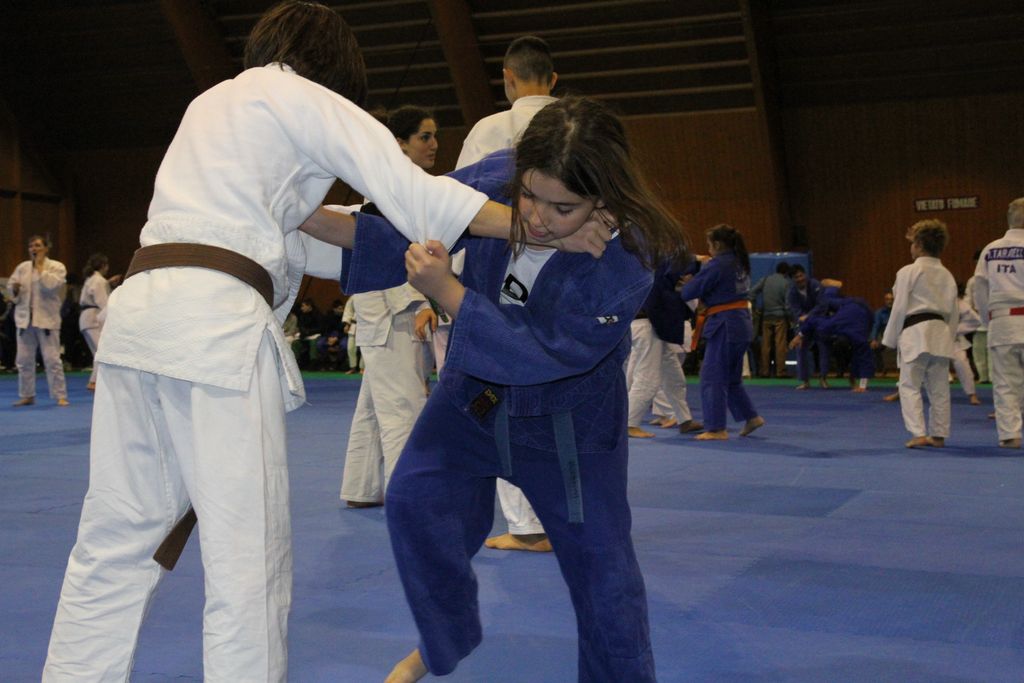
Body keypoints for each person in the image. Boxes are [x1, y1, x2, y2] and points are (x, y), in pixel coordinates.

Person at [42, 3, 533, 681]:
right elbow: (417, 196)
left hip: (140, 324)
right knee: (248, 557)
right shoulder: (302, 96)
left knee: (115, 540)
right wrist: (537, 226)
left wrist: (402, 245)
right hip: (212, 329)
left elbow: (304, 239)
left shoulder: (212, 107)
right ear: (333, 68)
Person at [303, 96, 684, 683]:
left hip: (571, 427)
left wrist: (448, 292)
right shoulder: (495, 179)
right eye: (529, 196)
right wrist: (299, 214)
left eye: (563, 208)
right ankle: (447, 636)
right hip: (474, 399)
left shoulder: (628, 256)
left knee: (606, 580)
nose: (538, 218)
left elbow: (546, 354)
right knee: (413, 501)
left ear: (604, 198)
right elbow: (404, 220)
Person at [452, 35, 561, 552]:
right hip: (568, 283)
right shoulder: (583, 126)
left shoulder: (490, 130)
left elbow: (456, 207)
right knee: (562, 396)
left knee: (497, 397)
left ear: (508, 78)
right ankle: (565, 513)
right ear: (554, 80)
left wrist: (444, 289)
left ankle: (527, 524)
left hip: (500, 281)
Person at [339, 105, 438, 508]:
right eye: (424, 137)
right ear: (400, 144)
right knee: (404, 409)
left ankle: (361, 488)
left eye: (434, 136)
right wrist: (420, 302)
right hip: (396, 311)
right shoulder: (390, 192)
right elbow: (389, 256)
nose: (434, 144)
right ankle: (408, 498)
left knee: (375, 406)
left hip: (383, 312)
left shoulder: (393, 187)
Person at [680, 225, 765, 440]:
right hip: (741, 322)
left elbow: (689, 292)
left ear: (717, 244)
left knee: (712, 377)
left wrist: (690, 282)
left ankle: (716, 428)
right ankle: (751, 416)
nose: (708, 249)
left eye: (709, 244)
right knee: (731, 377)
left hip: (724, 324)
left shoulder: (717, 264)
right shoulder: (739, 262)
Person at [882, 220, 958, 449]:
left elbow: (899, 307)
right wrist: (950, 338)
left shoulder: (909, 271)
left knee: (909, 385)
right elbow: (954, 312)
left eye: (913, 243)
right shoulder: (947, 274)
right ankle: (939, 434)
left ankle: (918, 433)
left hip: (915, 331)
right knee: (939, 388)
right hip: (941, 332)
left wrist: (890, 339)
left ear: (919, 245)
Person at [627, 262, 702, 438]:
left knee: (674, 377)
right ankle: (629, 423)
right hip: (648, 327)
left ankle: (684, 419)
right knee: (648, 378)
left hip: (655, 328)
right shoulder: (662, 272)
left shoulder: (660, 274)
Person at [972, 197, 1024, 448]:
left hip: (1002, 321)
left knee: (1005, 382)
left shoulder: (990, 250)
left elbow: (979, 289)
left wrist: (988, 319)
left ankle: (1010, 435)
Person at [7, 234, 69, 408]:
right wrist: (14, 289)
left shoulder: (57, 267)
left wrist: (40, 267)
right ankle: (27, 395)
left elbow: (51, 287)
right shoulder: (22, 268)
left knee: (52, 360)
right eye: (31, 246)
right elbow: (11, 289)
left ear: (46, 249)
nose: (34, 249)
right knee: (23, 360)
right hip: (25, 320)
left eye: (37, 245)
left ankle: (60, 395)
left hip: (47, 320)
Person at [790, 285, 875, 392]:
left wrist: (799, 334)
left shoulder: (835, 323)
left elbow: (814, 321)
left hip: (857, 314)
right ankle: (854, 378)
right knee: (862, 350)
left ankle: (853, 378)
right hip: (861, 310)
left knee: (860, 349)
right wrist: (863, 386)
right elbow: (865, 357)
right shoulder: (842, 317)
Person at [78, 253, 121, 390]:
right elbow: (103, 302)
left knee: (98, 352)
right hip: (93, 318)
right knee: (102, 350)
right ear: (103, 265)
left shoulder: (92, 279)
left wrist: (108, 284)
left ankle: (94, 381)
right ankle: (94, 381)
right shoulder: (99, 280)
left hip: (87, 318)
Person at [749, 261, 790, 377]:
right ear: (786, 272)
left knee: (765, 345)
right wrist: (790, 317)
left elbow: (751, 292)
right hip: (780, 316)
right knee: (780, 344)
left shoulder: (766, 279)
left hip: (766, 316)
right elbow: (787, 304)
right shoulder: (786, 283)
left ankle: (764, 371)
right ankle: (780, 371)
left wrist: (754, 307)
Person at [788, 263, 822, 389]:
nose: (800, 279)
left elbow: (822, 305)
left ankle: (823, 378)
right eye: (796, 277)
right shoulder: (792, 293)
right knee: (800, 347)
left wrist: (809, 315)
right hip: (803, 323)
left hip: (819, 319)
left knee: (823, 345)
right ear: (793, 279)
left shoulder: (815, 285)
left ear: (805, 275)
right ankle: (805, 380)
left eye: (801, 275)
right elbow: (796, 311)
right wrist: (803, 322)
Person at [952, 283, 982, 405]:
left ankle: (972, 394)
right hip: (934, 338)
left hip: (953, 340)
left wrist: (956, 330)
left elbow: (976, 321)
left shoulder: (960, 304)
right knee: (920, 364)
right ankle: (902, 392)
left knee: (962, 364)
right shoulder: (934, 301)